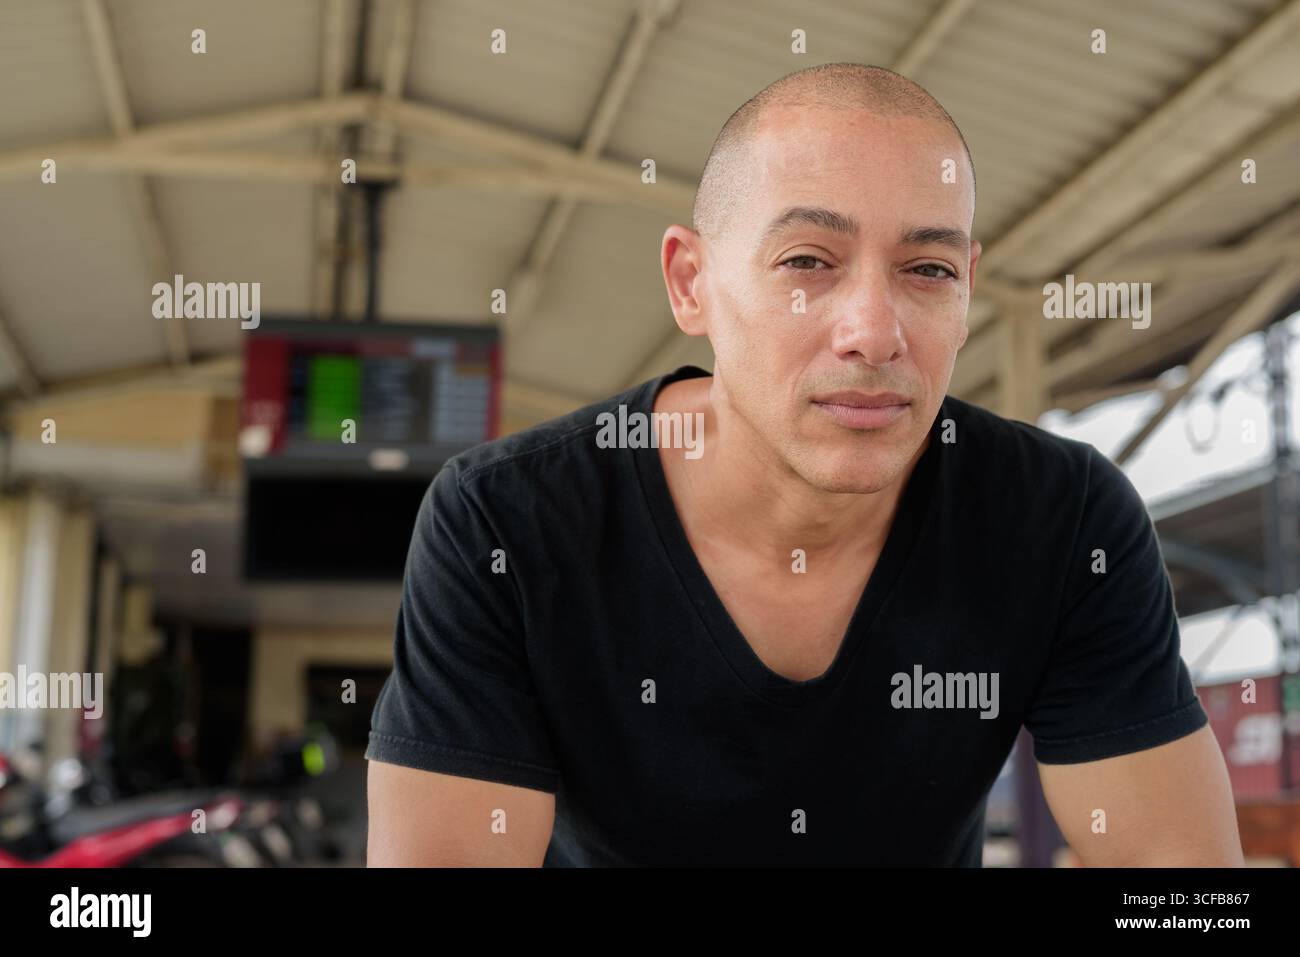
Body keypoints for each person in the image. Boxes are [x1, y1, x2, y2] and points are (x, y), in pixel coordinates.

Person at [366, 63, 1243, 866]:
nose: (874, 330)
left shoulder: (1063, 518)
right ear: (691, 282)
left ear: (970, 290)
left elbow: (1181, 884)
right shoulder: (507, 522)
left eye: (928, 268)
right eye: (806, 262)